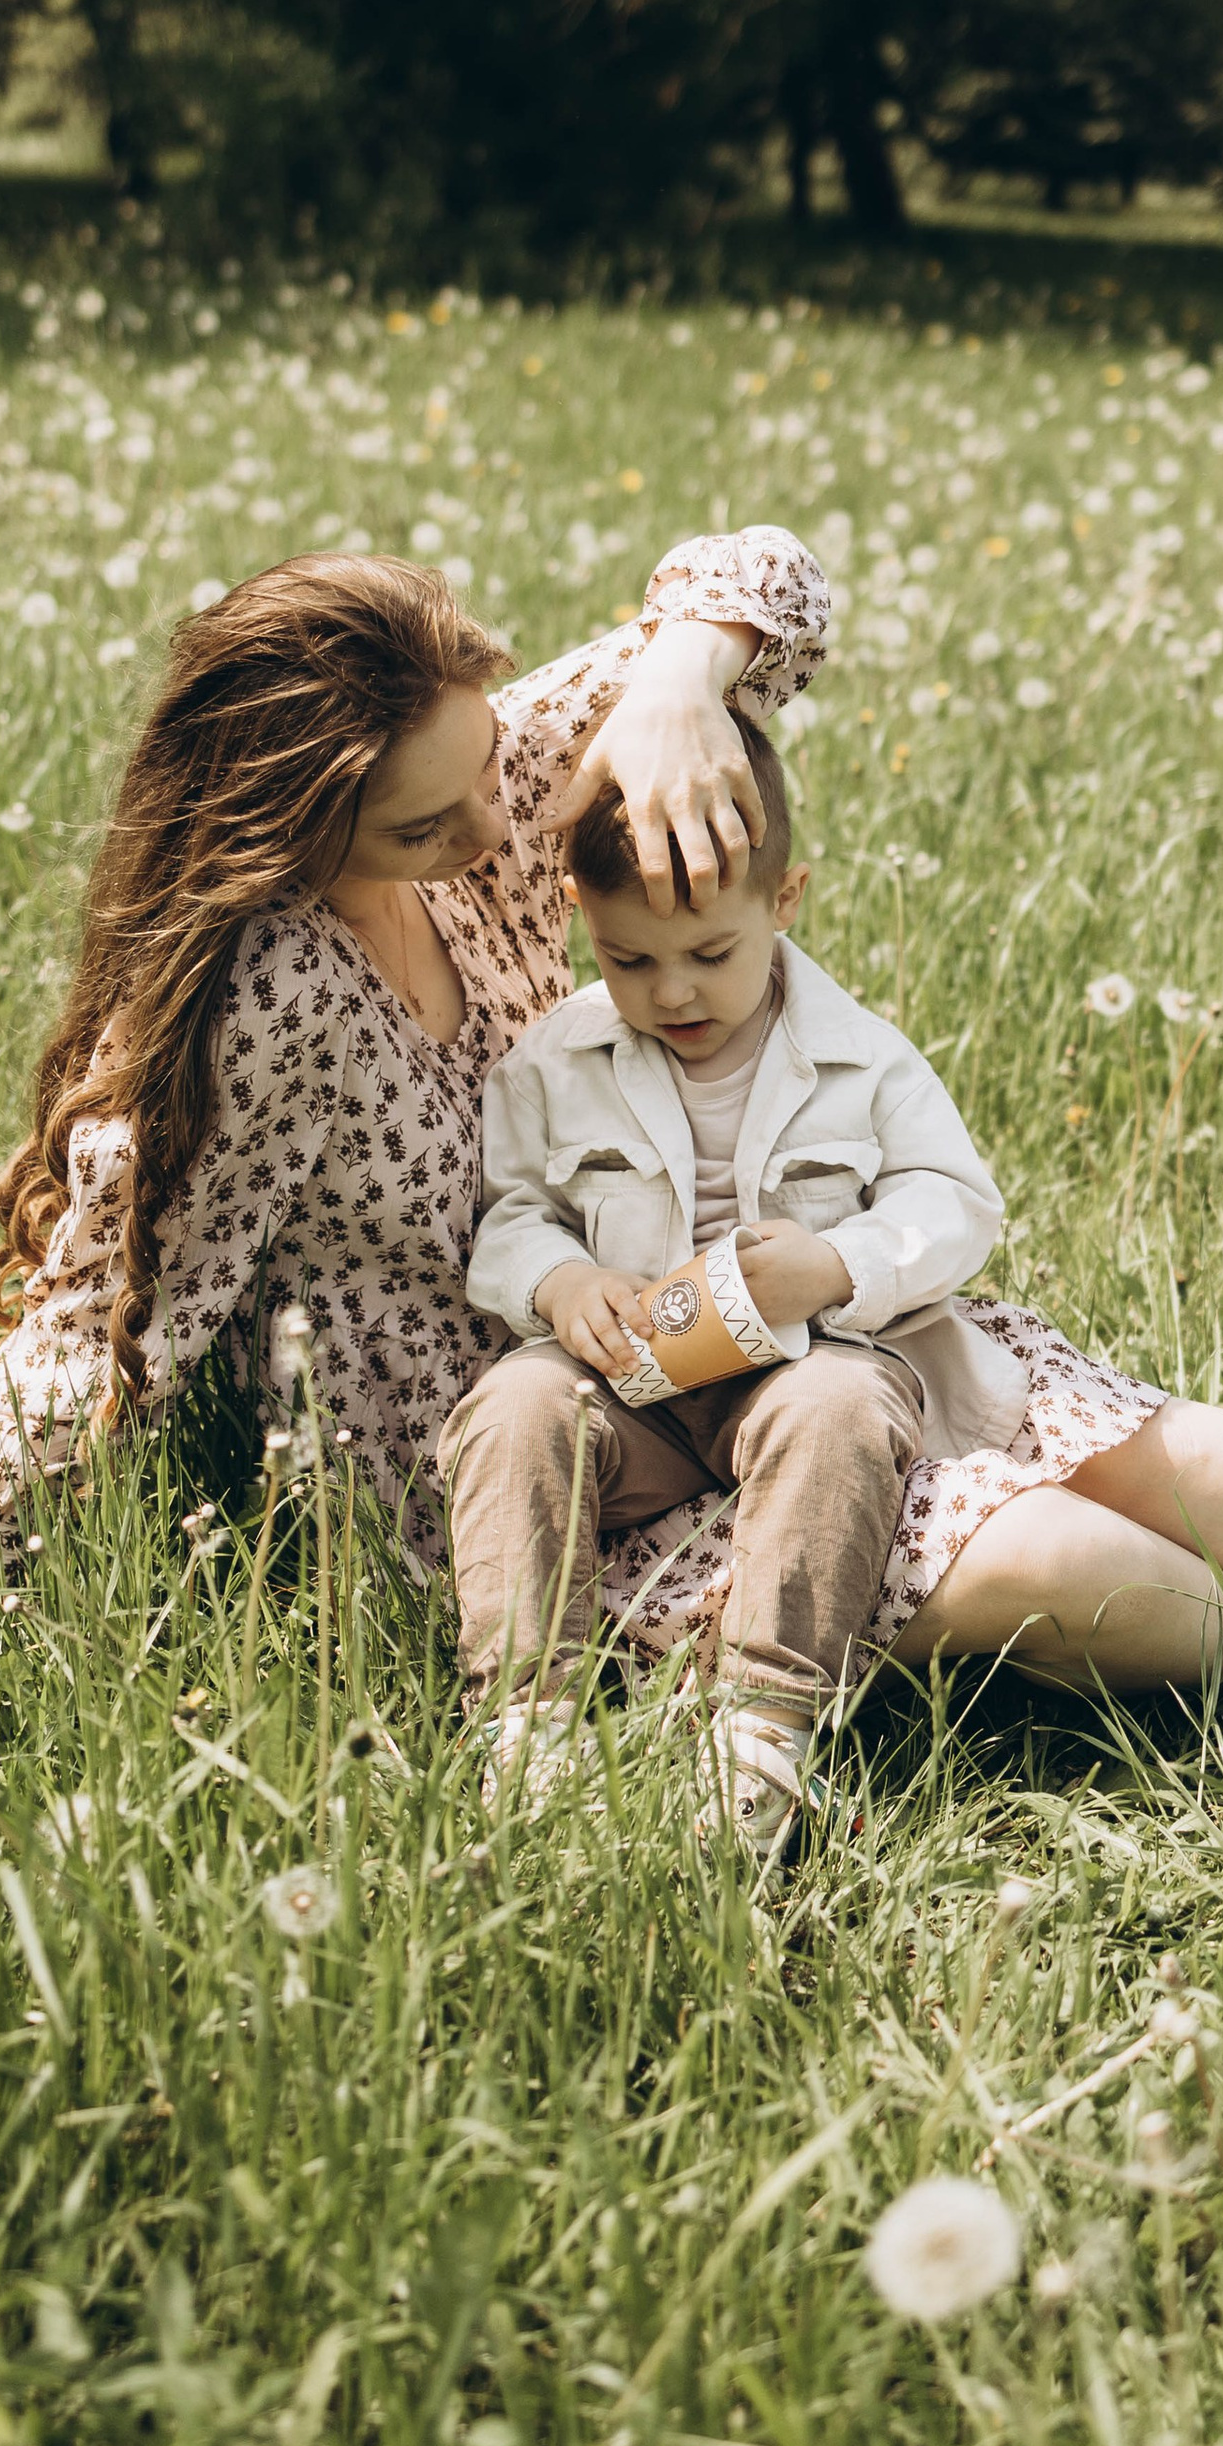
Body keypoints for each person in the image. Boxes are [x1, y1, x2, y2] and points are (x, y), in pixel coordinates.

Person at [0, 526, 1223, 1771]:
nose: (486, 824)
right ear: (288, 821)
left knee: (1167, 1457)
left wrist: (685, 673)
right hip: (565, 1477)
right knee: (1168, 1600)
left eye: (477, 781)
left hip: (783, 1328)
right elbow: (103, 1320)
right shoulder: (256, 999)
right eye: (421, 826)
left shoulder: (493, 770)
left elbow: (777, 572)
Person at [449, 715, 1016, 1854]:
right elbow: (506, 1211)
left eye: (710, 952)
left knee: (841, 1411)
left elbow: (958, 1203)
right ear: (580, 923)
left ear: (785, 898)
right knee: (514, 1409)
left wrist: (840, 1262)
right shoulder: (554, 1062)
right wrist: (560, 1284)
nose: (671, 993)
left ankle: (764, 1728)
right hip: (631, 1384)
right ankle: (527, 1721)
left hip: (798, 1364)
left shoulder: (861, 1055)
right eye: (629, 960)